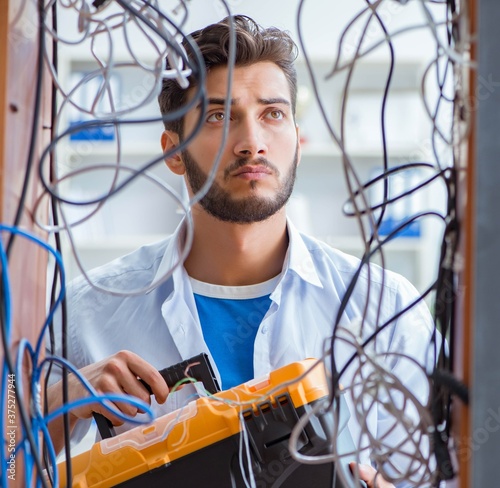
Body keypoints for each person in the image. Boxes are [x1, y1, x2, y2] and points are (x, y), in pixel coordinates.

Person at [47, 15, 436, 488]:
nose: (252, 142)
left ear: (296, 137)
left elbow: (435, 474)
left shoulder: (387, 310)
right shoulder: (90, 310)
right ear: (172, 150)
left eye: (272, 113)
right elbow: (9, 459)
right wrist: (59, 398)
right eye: (218, 116)